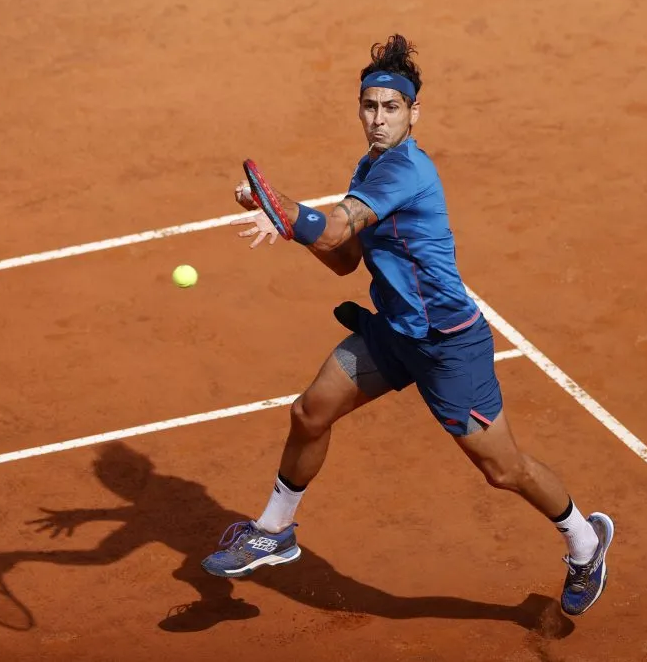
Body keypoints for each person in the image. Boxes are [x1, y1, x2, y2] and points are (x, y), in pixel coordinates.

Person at [202, 34, 614, 617]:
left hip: (448, 346)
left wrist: (285, 211)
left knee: (504, 470)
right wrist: (287, 220)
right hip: (394, 333)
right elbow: (344, 257)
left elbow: (339, 229)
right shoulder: (370, 166)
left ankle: (585, 539)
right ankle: (275, 529)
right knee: (309, 412)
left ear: (413, 113)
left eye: (390, 108)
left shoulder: (406, 169)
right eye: (369, 106)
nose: (377, 118)